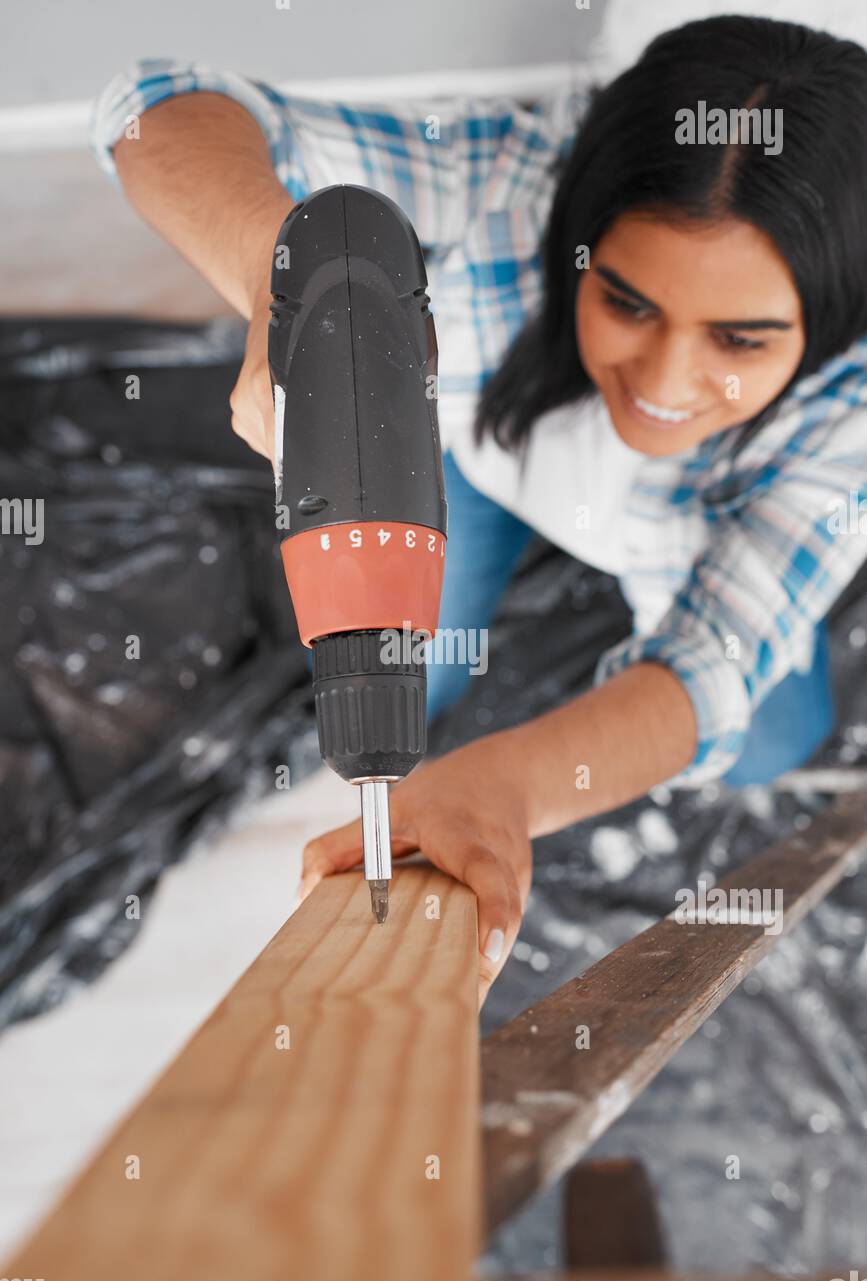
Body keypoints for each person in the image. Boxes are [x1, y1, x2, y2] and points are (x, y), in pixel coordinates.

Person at [92, 15, 867, 1006]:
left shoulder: (855, 392)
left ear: (832, 317)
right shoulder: (507, 181)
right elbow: (151, 109)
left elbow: (714, 654)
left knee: (763, 734)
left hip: (687, 546)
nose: (665, 380)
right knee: (425, 661)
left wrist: (511, 786)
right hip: (488, 467)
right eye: (626, 303)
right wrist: (280, 283)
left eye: (741, 341)